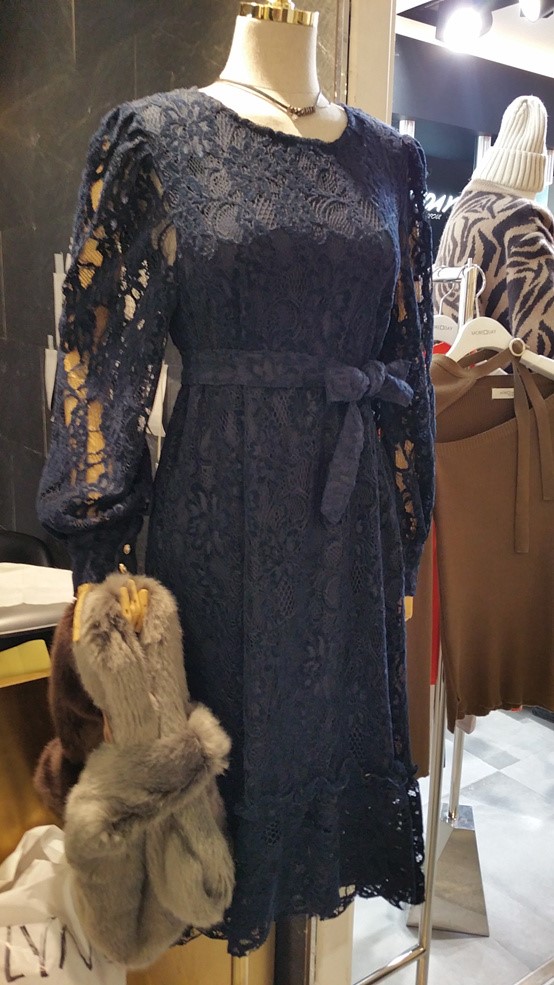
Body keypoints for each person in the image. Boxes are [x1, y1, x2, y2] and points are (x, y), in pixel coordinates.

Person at [37, 1, 434, 956]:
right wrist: (101, 563)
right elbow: (100, 371)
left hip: (350, 549)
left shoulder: (393, 162)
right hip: (223, 529)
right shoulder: (156, 141)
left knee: (325, 798)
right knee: (224, 816)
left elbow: (408, 365)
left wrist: (406, 529)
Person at [435, 95, 554, 356]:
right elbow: (542, 339)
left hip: (452, 369)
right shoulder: (523, 218)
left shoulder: (463, 212)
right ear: (535, 170)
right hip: (500, 378)